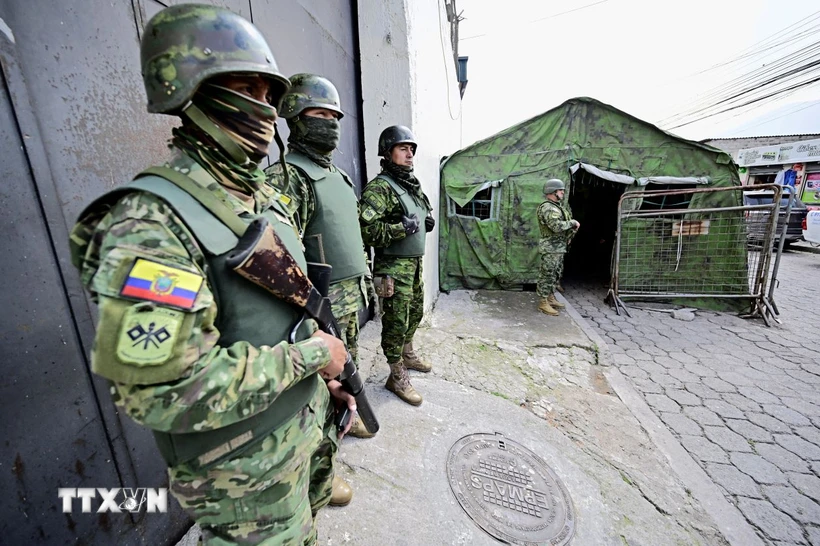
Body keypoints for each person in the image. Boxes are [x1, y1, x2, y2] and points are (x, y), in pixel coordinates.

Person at [68, 5, 354, 544]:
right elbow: (163, 391)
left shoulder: (261, 193)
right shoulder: (148, 223)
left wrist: (326, 382)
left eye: (270, 95)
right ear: (188, 90)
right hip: (244, 483)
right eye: (246, 88)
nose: (264, 109)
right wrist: (313, 356)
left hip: (300, 437)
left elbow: (288, 308)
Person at [265, 73, 374, 444]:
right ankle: (321, 455)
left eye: (335, 118)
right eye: (319, 115)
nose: (330, 125)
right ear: (295, 117)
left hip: (349, 299)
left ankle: (340, 428)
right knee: (317, 386)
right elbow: (279, 257)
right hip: (318, 307)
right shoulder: (288, 176)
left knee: (345, 373)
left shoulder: (338, 175)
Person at [359, 126, 434, 406]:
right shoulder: (380, 188)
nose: (410, 153)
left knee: (414, 313)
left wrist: (425, 220)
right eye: (403, 148)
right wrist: (399, 229)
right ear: (388, 152)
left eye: (411, 148)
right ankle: (395, 374)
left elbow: (422, 210)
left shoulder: (410, 184)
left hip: (413, 265)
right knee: (394, 322)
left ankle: (408, 353)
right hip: (392, 267)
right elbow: (365, 230)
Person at [536, 179, 580, 316]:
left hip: (558, 247)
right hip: (551, 248)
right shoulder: (549, 208)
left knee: (555, 274)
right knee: (547, 275)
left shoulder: (556, 206)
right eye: (560, 190)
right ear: (553, 192)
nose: (562, 192)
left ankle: (550, 297)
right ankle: (543, 302)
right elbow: (556, 226)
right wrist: (572, 222)